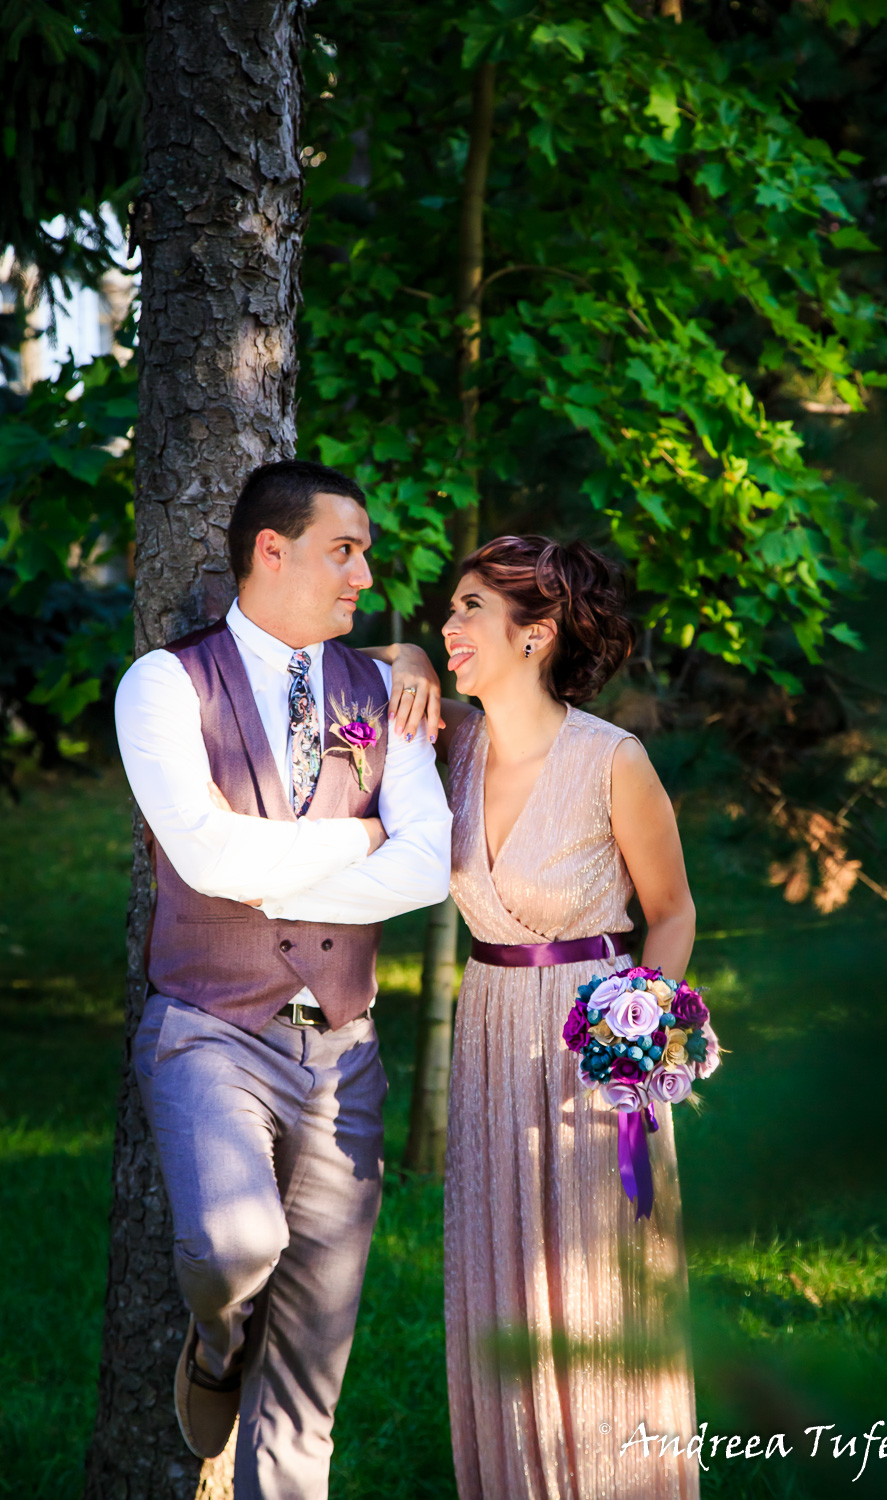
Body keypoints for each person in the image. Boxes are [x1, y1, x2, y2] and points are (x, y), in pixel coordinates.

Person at [114, 459, 451, 1500]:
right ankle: (217, 1347)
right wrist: (362, 836)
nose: (363, 576)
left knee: (308, 1390)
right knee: (231, 1242)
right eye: (343, 551)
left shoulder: (383, 689)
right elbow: (206, 858)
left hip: (345, 1055)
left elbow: (430, 859)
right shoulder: (166, 684)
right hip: (210, 1031)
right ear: (273, 548)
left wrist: (288, 876)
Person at [436, 535, 700, 1500]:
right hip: (491, 1029)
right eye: (452, 608)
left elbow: (671, 912)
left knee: (591, 1291)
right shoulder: (451, 745)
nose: (449, 626)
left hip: (590, 1041)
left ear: (536, 635)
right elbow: (362, 667)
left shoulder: (609, 758)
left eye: (470, 610)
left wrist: (638, 1033)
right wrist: (418, 662)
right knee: (504, 1278)